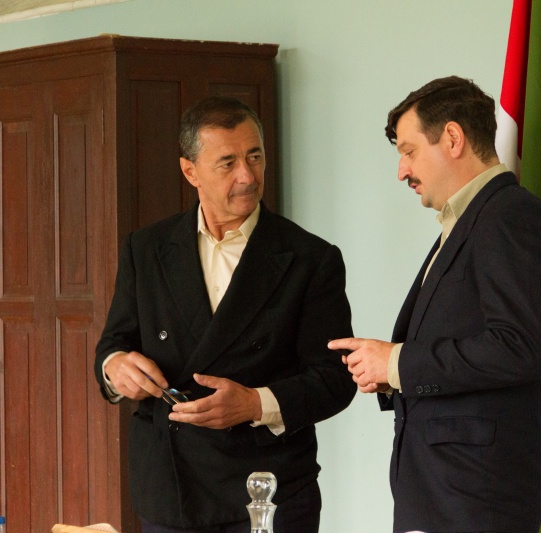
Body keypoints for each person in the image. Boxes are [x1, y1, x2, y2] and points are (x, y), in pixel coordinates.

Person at [95, 96, 356, 533]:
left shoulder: (310, 258)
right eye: (228, 163)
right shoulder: (146, 249)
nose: (247, 176)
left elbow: (334, 379)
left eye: (255, 156)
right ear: (190, 171)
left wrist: (255, 404)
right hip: (169, 491)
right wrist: (114, 368)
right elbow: (114, 344)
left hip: (269, 491)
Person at [329, 76, 541, 533]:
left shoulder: (512, 217)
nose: (401, 170)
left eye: (409, 151)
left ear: (453, 138)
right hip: (440, 498)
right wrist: (389, 371)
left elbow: (517, 347)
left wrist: (397, 362)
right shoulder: (470, 222)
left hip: (476, 503)